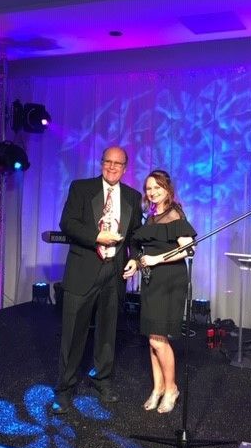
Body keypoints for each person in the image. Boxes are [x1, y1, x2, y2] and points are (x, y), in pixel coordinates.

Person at [53, 146, 143, 415]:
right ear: (101, 163)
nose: (112, 167)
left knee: (107, 332)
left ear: (126, 167)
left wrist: (135, 258)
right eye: (108, 162)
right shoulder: (81, 188)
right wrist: (97, 237)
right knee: (73, 333)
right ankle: (64, 389)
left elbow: (136, 235)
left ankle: (101, 379)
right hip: (83, 270)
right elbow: (67, 224)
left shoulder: (132, 196)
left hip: (113, 273)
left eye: (118, 163)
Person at [133, 170, 197, 414]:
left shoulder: (174, 214)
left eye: (157, 187)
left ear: (168, 189)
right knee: (153, 338)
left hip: (170, 280)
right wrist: (137, 263)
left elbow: (189, 249)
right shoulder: (152, 217)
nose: (152, 192)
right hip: (152, 281)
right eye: (149, 188)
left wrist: (157, 259)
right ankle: (158, 387)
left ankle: (171, 389)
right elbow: (145, 251)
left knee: (159, 339)